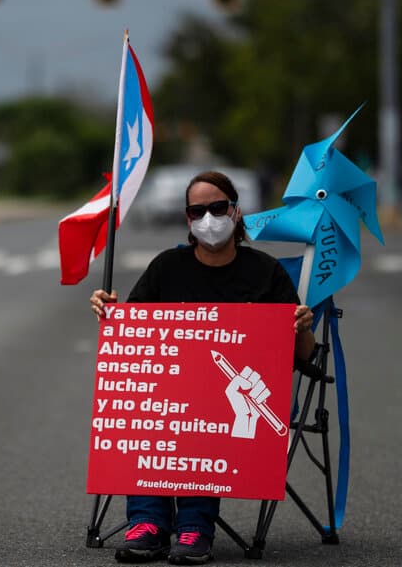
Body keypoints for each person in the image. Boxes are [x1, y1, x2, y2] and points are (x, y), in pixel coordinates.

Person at [90, 170, 316, 565]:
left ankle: (195, 524)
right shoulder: (166, 268)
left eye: (217, 207)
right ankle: (148, 522)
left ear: (236, 210)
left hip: (233, 404)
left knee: (205, 410)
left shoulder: (266, 272)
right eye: (198, 211)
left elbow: (304, 357)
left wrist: (302, 327)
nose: (209, 218)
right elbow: (131, 340)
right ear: (188, 220)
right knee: (154, 410)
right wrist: (109, 314)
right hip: (171, 398)